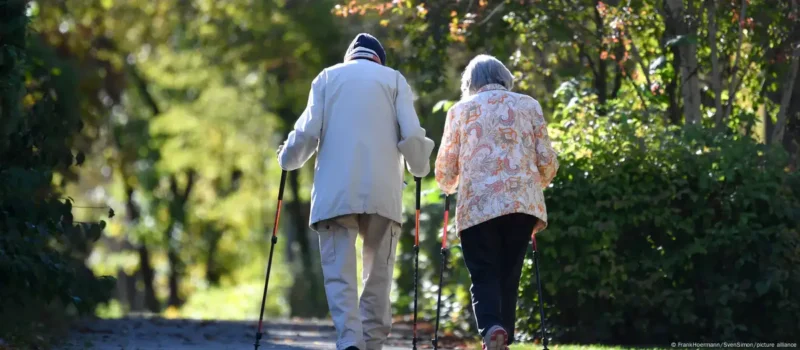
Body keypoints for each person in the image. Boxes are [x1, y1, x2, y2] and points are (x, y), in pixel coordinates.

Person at [276, 33, 434, 350]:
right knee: (378, 272)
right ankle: (372, 341)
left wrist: (287, 158)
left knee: (339, 273)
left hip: (335, 192)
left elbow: (306, 132)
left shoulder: (326, 78)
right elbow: (412, 133)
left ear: (350, 57)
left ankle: (350, 339)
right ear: (379, 59)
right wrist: (419, 167)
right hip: (382, 191)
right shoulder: (394, 81)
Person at [434, 54, 559, 350]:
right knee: (509, 272)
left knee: (484, 270)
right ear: (504, 78)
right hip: (521, 204)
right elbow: (547, 159)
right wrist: (533, 184)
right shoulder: (529, 105)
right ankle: (504, 336)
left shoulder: (460, 110)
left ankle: (492, 329)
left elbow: (445, 169)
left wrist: (448, 185)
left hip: (478, 205)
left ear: (470, 83)